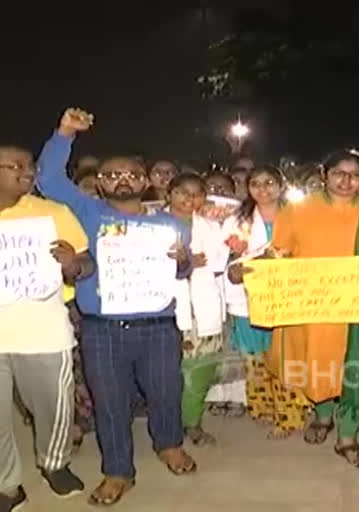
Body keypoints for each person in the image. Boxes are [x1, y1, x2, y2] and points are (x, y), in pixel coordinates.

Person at [36, 108, 197, 506]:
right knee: (110, 402)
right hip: (103, 329)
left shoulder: (168, 223)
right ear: (100, 185)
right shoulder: (90, 212)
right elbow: (49, 179)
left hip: (158, 325)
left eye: (131, 175)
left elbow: (183, 268)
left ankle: (169, 444)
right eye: (111, 175)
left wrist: (183, 261)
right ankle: (119, 470)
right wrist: (64, 135)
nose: (122, 180)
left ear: (145, 181)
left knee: (166, 391)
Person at [266, 150, 359, 467]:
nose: (347, 181)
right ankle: (323, 416)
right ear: (323, 174)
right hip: (316, 307)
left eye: (355, 175)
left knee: (355, 368)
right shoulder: (298, 209)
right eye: (338, 173)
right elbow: (280, 250)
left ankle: (348, 437)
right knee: (321, 365)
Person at [0, 144, 93, 511]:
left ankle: (55, 464)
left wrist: (73, 265)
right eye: (16, 166)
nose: (28, 172)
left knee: (53, 409)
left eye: (31, 166)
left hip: (43, 333)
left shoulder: (54, 214)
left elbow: (86, 265)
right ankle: (6, 484)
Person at [225, 165, 312, 438]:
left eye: (270, 182)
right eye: (256, 184)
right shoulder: (236, 220)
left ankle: (290, 415)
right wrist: (235, 263)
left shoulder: (299, 216)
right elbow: (225, 261)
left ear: (281, 185)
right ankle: (263, 407)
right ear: (248, 188)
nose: (263, 189)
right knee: (255, 359)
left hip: (289, 298)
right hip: (248, 301)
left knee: (286, 357)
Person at [166, 173, 229, 445]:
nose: (189, 199)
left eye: (196, 194)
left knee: (200, 371)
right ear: (169, 194)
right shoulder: (153, 224)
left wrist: (190, 262)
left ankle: (192, 423)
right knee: (169, 373)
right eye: (182, 192)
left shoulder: (211, 227)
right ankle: (168, 425)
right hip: (167, 309)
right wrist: (189, 262)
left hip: (204, 307)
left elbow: (216, 263)